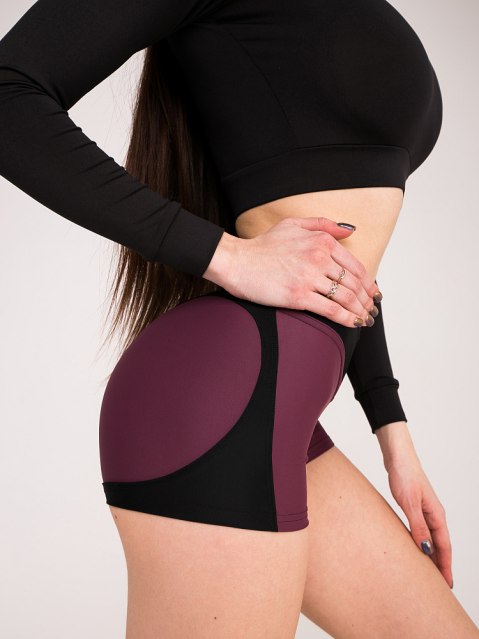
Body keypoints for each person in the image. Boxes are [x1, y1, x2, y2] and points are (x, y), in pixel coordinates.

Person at [0, 1, 477, 637]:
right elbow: (9, 92)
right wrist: (226, 256)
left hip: (273, 410)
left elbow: (334, 261)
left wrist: (394, 435)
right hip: (220, 404)